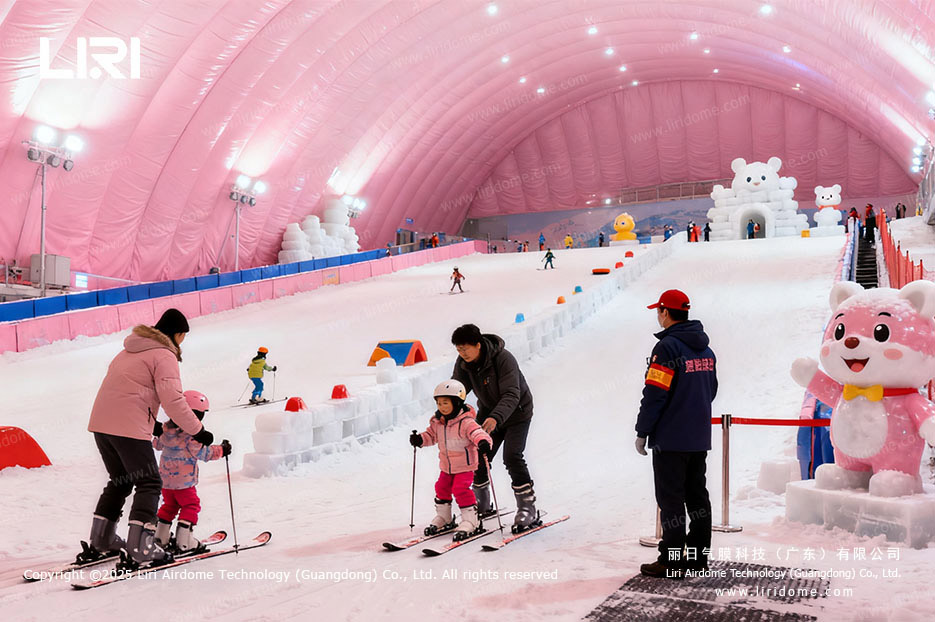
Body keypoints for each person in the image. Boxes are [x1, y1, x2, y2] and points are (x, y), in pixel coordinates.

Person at [86, 308, 214, 565]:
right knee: (149, 482)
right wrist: (197, 431)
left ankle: (102, 540)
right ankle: (141, 546)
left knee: (121, 480)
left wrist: (152, 423)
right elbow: (174, 400)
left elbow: (124, 391)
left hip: (102, 424)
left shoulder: (128, 351)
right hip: (127, 429)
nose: (182, 342)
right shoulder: (163, 354)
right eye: (183, 336)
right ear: (176, 334)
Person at [635, 290, 717, 578]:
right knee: (697, 499)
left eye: (658, 311)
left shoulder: (667, 349)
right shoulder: (706, 350)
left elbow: (655, 393)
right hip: (698, 438)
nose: (658, 316)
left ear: (666, 313)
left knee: (670, 501)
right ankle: (696, 558)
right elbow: (712, 390)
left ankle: (670, 560)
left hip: (671, 439)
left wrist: (642, 430)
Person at [450, 324, 538, 532]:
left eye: (465, 349)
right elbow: (457, 391)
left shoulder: (503, 359)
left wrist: (495, 418)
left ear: (478, 345)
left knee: (512, 456)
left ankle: (528, 507)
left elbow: (511, 394)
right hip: (489, 412)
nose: (462, 354)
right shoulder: (464, 363)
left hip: (518, 413)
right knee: (478, 455)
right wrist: (448, 412)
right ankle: (482, 503)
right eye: (458, 350)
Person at [410, 380, 492, 540]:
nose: (442, 406)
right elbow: (430, 436)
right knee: (441, 487)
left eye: (446, 403)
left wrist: (483, 442)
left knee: (460, 489)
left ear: (457, 402)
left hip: (465, 466)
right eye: (439, 403)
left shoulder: (466, 422)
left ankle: (471, 520)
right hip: (446, 466)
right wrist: (420, 439)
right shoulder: (437, 422)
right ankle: (444, 518)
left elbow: (478, 433)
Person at [153, 390, 231, 553]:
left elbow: (157, 444)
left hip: (166, 482)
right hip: (184, 482)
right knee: (190, 505)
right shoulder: (192, 435)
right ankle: (184, 542)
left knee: (169, 506)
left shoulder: (166, 430)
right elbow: (204, 453)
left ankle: (160, 538)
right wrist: (222, 450)